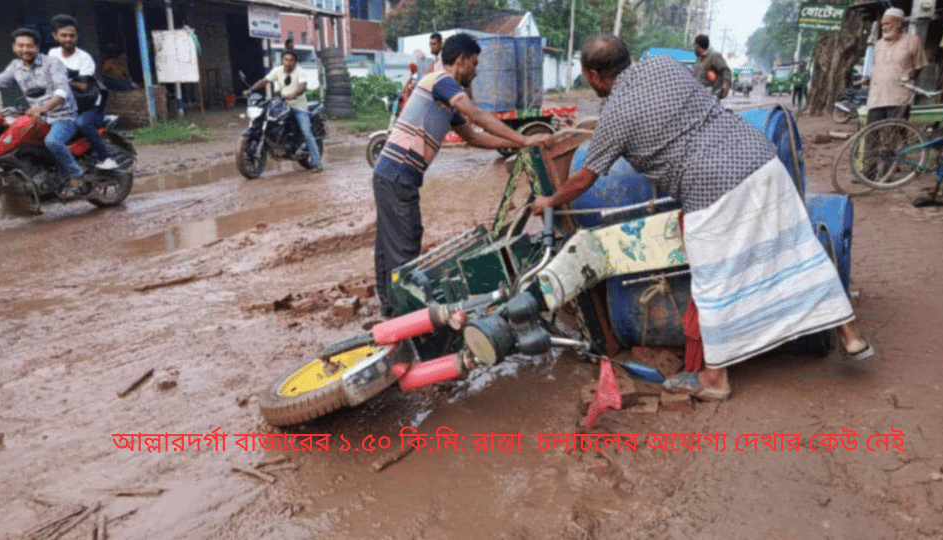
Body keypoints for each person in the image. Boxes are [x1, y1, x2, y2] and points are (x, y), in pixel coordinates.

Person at [532, 35, 875, 401]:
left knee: (712, 284)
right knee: (799, 249)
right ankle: (851, 337)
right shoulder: (664, 65)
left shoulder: (614, 116)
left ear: (594, 74)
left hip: (711, 188)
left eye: (586, 75)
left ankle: (715, 380)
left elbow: (585, 177)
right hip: (762, 160)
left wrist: (549, 200)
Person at [373, 33, 545, 318]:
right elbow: (476, 115)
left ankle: (389, 308)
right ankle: (402, 322)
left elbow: (474, 137)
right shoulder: (440, 80)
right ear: (461, 60)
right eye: (474, 64)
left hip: (390, 174)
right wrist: (524, 140)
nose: (476, 71)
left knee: (389, 244)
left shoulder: (444, 99)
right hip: (397, 175)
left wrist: (516, 143)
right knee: (404, 245)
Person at [0, 28, 86, 196]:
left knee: (52, 142)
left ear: (37, 46)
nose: (25, 50)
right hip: (36, 117)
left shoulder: (52, 63)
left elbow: (62, 91)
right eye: (20, 46)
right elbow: (0, 81)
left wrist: (44, 108)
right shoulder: (15, 66)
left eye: (29, 46)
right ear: (14, 47)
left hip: (62, 116)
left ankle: (76, 175)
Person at [48, 14, 118, 172]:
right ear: (55, 36)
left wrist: (61, 81)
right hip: (68, 105)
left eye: (71, 36)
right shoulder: (52, 54)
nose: (68, 39)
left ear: (77, 36)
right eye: (63, 35)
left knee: (82, 123)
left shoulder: (84, 58)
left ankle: (106, 158)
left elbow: (83, 86)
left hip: (90, 104)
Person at [242, 50, 323, 171]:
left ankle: (317, 162)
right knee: (269, 119)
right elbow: (264, 81)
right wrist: (251, 90)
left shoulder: (300, 72)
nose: (288, 63)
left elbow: (302, 87)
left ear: (295, 62)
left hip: (299, 107)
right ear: (282, 60)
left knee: (307, 133)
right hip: (283, 104)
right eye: (286, 60)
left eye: (291, 60)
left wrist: (294, 94)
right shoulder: (277, 70)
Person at [864, 7, 927, 124]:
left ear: (899, 23)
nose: (883, 27)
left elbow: (918, 68)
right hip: (876, 97)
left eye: (887, 24)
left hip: (899, 97)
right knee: (871, 135)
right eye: (882, 24)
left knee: (896, 134)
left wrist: (905, 77)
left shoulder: (913, 41)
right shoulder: (878, 44)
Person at [692, 34, 731, 100]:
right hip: (698, 95)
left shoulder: (713, 56)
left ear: (698, 46)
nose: (694, 48)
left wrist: (725, 86)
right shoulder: (699, 61)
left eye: (695, 45)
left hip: (711, 95)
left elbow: (725, 70)